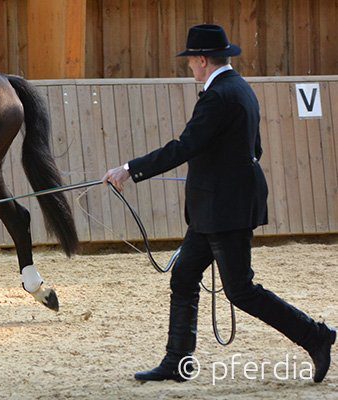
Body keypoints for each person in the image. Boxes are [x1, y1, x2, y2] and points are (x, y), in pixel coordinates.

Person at [102, 24, 335, 383]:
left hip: (224, 208)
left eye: (190, 62)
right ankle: (178, 361)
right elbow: (251, 149)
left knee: (240, 290)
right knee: (183, 277)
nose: (189, 68)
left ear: (201, 59)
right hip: (216, 206)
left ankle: (315, 335)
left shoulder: (219, 96)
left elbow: (185, 146)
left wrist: (130, 170)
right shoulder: (239, 88)